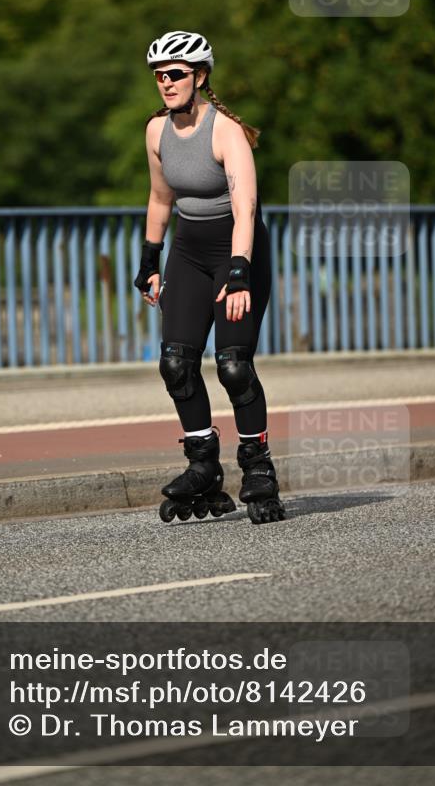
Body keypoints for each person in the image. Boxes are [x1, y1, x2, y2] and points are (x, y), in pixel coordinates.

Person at [133, 30, 285, 526]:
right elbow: (161, 199)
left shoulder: (226, 133)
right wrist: (149, 260)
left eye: (175, 74)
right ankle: (202, 466)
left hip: (237, 250)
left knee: (233, 367)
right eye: (159, 75)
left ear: (199, 77)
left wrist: (239, 272)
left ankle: (257, 469)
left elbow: (246, 209)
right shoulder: (156, 132)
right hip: (189, 251)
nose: (166, 82)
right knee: (175, 364)